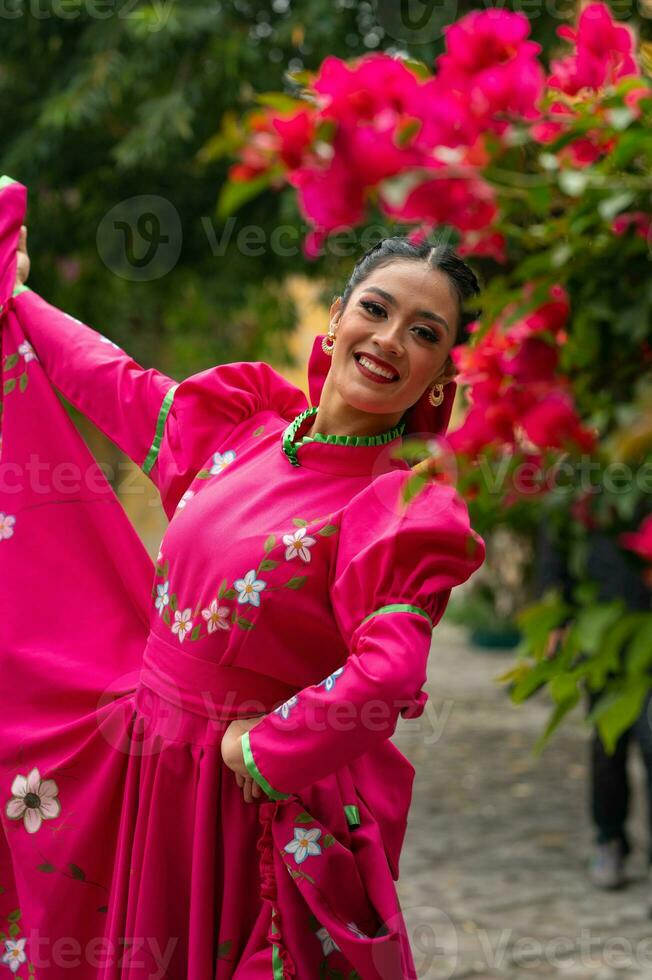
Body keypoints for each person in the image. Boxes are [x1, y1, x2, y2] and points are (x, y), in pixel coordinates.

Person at [0, 175, 486, 979]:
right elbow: (111, 380)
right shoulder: (244, 430)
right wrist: (18, 303)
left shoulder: (399, 507)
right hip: (143, 768)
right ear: (335, 321)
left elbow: (388, 671)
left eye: (424, 332)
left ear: (439, 376)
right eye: (376, 309)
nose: (390, 339)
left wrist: (263, 750)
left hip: (237, 806)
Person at [536, 518, 652, 891]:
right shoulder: (590, 474)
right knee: (608, 744)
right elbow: (557, 535)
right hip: (604, 626)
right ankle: (609, 838)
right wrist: (558, 615)